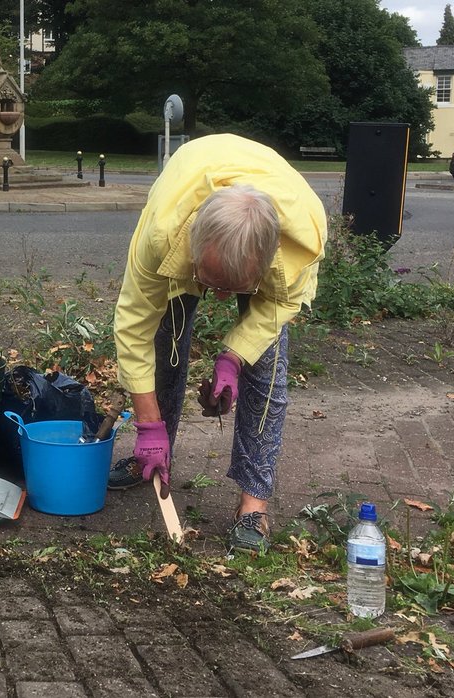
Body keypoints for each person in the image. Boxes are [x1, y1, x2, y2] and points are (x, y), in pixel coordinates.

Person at [110, 133, 327, 554]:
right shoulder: (163, 235)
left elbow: (281, 306)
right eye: (212, 285)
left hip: (275, 222)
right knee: (164, 342)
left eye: (236, 288)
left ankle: (253, 507)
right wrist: (148, 425)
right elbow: (133, 325)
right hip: (188, 182)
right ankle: (153, 458)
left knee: (266, 372)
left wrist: (233, 357)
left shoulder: (299, 247)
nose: (222, 299)